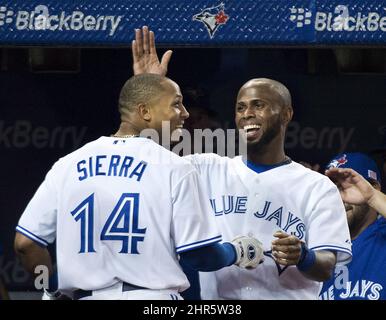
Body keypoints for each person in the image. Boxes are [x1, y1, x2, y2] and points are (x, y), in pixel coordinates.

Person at [132, 26, 352, 299]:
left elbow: (326, 266)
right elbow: (146, 159)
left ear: (286, 114)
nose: (247, 114)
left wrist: (303, 256)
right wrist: (148, 94)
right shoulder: (207, 169)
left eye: (258, 105)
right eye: (240, 107)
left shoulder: (317, 187)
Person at [14, 74, 264, 300]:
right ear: (145, 111)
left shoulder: (66, 165)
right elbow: (199, 256)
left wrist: (50, 288)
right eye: (176, 104)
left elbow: (26, 244)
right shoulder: (174, 167)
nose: (185, 113)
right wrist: (237, 251)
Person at [320, 152, 386, 300]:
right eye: (331, 189)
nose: (338, 198)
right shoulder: (318, 248)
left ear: (374, 187)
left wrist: (371, 196)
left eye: (345, 186)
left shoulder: (383, 234)